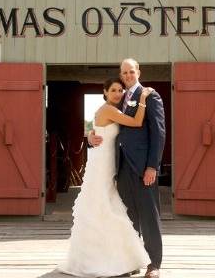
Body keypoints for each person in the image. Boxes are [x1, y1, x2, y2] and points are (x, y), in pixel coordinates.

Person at [58, 77, 153, 277]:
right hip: (102, 165)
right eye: (114, 90)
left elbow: (97, 131)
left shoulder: (104, 110)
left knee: (108, 209)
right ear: (105, 92)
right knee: (104, 210)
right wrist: (143, 97)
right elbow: (136, 122)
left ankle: (116, 259)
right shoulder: (109, 109)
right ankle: (106, 261)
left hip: (106, 162)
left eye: (120, 90)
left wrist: (91, 135)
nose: (118, 94)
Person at [89, 58, 165, 278]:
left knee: (149, 215)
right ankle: (133, 260)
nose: (128, 75)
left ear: (138, 72)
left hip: (143, 168)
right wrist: (92, 136)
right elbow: (105, 125)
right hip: (121, 167)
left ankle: (154, 264)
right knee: (128, 217)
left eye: (132, 71)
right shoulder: (118, 98)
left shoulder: (151, 97)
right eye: (124, 73)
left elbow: (159, 134)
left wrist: (152, 166)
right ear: (121, 75)